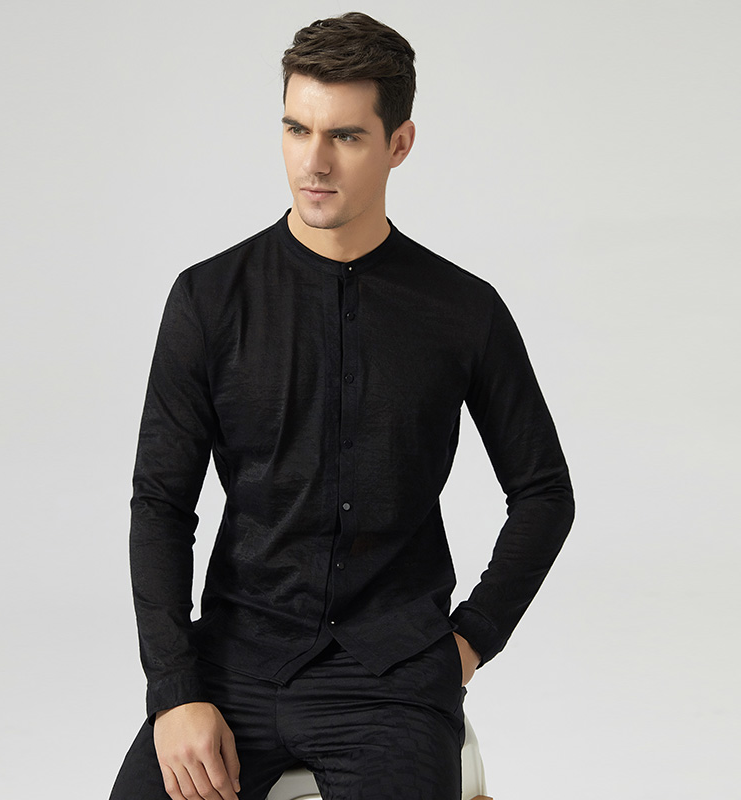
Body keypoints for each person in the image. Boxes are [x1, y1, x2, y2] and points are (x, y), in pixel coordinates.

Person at [110, 11, 574, 800]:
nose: (313, 161)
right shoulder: (208, 300)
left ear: (400, 143)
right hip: (231, 666)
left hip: (393, 682)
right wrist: (175, 691)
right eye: (297, 129)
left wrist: (469, 642)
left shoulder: (462, 309)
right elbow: (160, 504)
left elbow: (544, 493)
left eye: (346, 136)